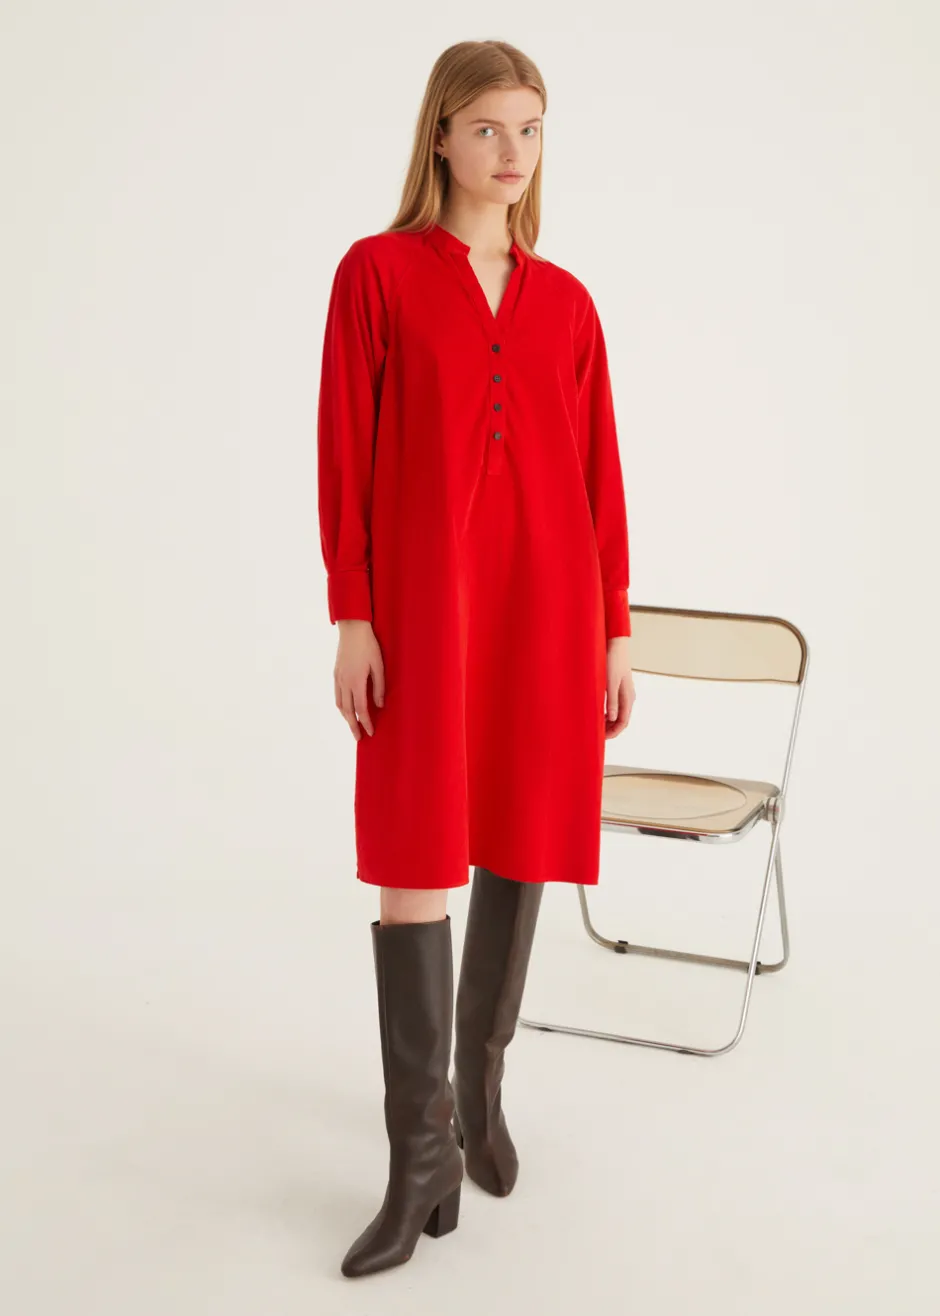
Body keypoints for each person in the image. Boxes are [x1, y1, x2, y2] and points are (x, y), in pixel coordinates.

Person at [316, 40, 636, 1279]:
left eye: (531, 129)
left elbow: (599, 475)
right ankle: (420, 1155)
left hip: (548, 607)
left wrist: (614, 629)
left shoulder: (567, 303)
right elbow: (345, 452)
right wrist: (354, 611)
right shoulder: (377, 274)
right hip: (421, 609)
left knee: (520, 833)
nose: (513, 153)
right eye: (490, 128)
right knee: (412, 853)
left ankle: (479, 1085)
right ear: (441, 135)